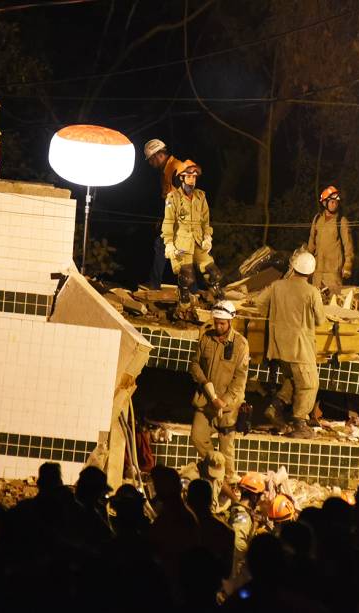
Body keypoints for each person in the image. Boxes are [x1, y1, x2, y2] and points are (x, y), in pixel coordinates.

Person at [253, 251, 325, 438]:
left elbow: (259, 303)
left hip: (278, 346)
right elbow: (320, 320)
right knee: (309, 384)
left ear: (293, 267)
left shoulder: (277, 286)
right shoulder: (312, 292)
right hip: (300, 348)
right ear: (310, 273)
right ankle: (299, 422)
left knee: (293, 379)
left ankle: (274, 407)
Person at [188, 300, 250, 488]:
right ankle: (215, 467)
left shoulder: (240, 344)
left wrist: (224, 401)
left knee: (227, 450)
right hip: (205, 401)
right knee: (197, 437)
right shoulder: (206, 338)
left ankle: (227, 484)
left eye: (222, 323)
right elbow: (195, 364)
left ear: (230, 322)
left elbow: (240, 379)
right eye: (216, 322)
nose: (218, 326)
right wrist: (205, 383)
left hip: (227, 407)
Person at [161, 159, 225, 319]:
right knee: (187, 276)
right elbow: (168, 222)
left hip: (198, 241)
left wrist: (208, 236)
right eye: (188, 176)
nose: (192, 179)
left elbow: (205, 220)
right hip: (182, 243)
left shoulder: (200, 196)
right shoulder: (173, 197)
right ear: (181, 178)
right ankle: (183, 305)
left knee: (214, 273)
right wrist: (168, 244)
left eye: (194, 177)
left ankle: (220, 302)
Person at [143, 138, 179, 290]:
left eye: (151, 160)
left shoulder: (176, 168)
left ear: (158, 155)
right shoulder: (167, 170)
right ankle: (194, 288)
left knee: (161, 246)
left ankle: (154, 284)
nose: (151, 164)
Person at [308, 185, 354, 294]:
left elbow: (348, 245)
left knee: (333, 304)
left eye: (336, 202)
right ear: (325, 203)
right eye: (331, 201)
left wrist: (348, 265)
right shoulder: (317, 219)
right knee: (316, 303)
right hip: (317, 272)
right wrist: (306, 263)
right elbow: (311, 243)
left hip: (333, 272)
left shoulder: (341, 221)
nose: (334, 204)